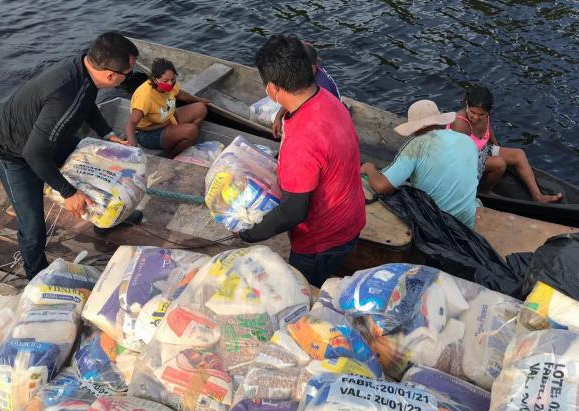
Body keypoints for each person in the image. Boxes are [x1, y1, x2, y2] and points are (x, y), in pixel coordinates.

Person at [0, 31, 137, 279]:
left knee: (101, 166)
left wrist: (108, 134)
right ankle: (36, 274)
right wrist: (69, 193)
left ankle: (107, 219)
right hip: (13, 152)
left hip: (47, 138)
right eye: (128, 74)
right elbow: (34, 154)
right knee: (33, 225)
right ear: (111, 75)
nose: (129, 78)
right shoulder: (64, 95)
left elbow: (86, 103)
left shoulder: (84, 68)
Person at [239, 34, 365, 287]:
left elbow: (294, 211)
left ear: (272, 88)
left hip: (322, 241)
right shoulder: (327, 98)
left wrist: (248, 233)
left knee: (300, 291)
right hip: (351, 217)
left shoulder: (302, 138)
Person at [361, 99, 479, 228]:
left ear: (415, 127)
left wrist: (369, 168)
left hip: (436, 223)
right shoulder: (467, 140)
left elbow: (381, 187)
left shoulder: (416, 145)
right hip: (467, 220)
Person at [449, 86, 562, 203]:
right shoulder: (460, 123)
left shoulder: (485, 115)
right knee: (499, 164)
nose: (476, 117)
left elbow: (488, 130)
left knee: (519, 154)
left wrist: (496, 147)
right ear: (467, 104)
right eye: (473, 112)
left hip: (479, 150)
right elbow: (462, 158)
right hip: (464, 160)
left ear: (488, 111)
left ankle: (538, 196)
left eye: (481, 114)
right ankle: (484, 190)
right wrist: (491, 160)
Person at [125, 58, 210, 157]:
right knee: (192, 130)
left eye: (173, 79)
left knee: (201, 108)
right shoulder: (145, 97)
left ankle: (183, 140)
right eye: (165, 81)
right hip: (148, 133)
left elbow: (182, 95)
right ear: (154, 79)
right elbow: (131, 124)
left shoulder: (171, 85)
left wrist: (200, 100)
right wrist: (132, 145)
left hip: (168, 120)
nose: (170, 83)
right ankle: (170, 156)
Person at [270, 39, 341, 139]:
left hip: (330, 121)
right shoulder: (310, 71)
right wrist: (279, 116)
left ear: (312, 69)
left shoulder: (321, 88)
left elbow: (323, 121)